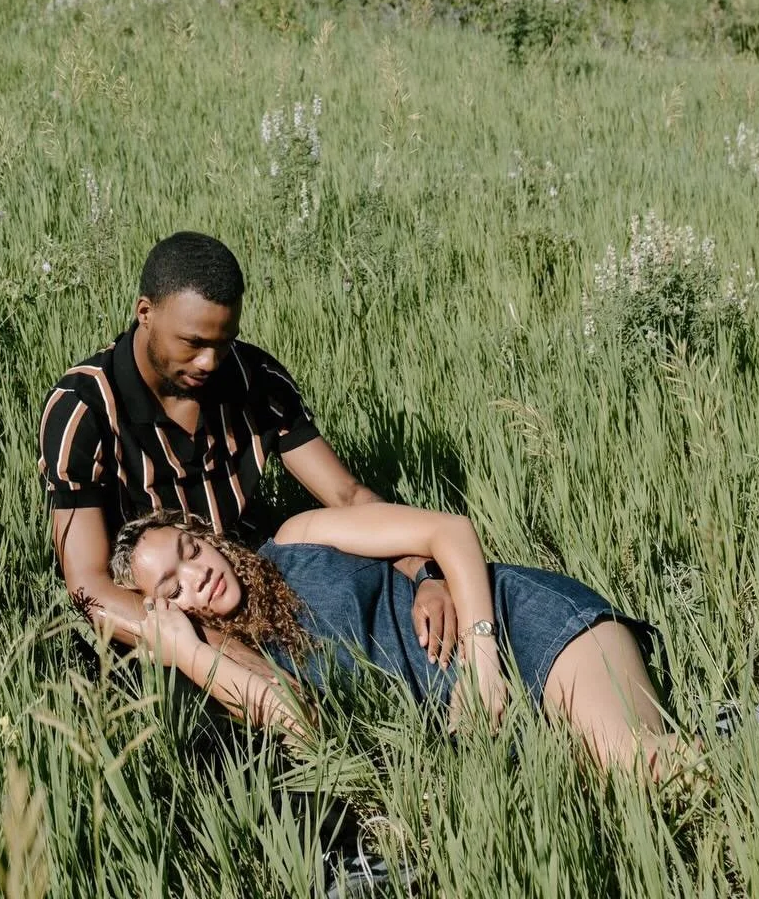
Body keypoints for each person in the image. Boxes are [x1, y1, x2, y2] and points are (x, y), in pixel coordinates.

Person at [38, 231, 458, 661]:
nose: (210, 362)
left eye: (224, 342)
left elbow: (347, 495)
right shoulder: (84, 409)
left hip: (254, 593)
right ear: (145, 312)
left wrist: (423, 573)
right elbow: (88, 584)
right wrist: (217, 656)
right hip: (154, 629)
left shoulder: (254, 379)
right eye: (194, 343)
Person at [110, 504, 676, 778]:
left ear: (205, 538)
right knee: (590, 799)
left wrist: (481, 662)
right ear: (168, 610)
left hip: (515, 625)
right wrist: (190, 652)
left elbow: (447, 530)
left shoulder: (296, 537)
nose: (196, 573)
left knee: (639, 770)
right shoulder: (232, 664)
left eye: (190, 550)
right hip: (474, 736)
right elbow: (301, 725)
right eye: (172, 586)